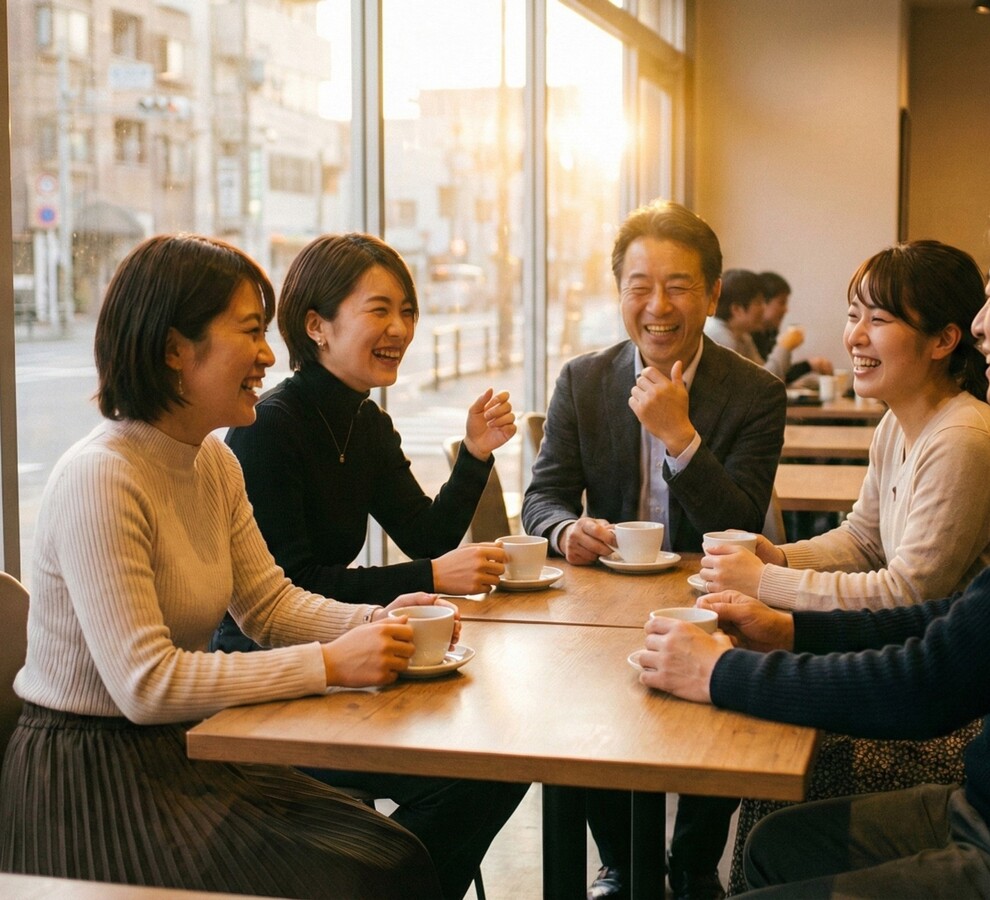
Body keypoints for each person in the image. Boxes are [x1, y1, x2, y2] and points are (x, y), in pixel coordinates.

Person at [638, 182, 990, 899]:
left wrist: (720, 674)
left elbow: (935, 681)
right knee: (778, 846)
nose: (979, 326)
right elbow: (964, 618)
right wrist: (788, 630)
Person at [0, 234, 450, 897]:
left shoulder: (211, 461)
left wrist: (376, 620)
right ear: (176, 350)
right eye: (250, 332)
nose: (270, 354)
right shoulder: (101, 476)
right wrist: (330, 663)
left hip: (183, 750)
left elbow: (268, 605)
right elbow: (144, 684)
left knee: (394, 854)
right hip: (88, 780)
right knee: (367, 873)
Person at [701, 242, 990, 893]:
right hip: (914, 670)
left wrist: (763, 583)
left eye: (877, 320)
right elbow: (863, 539)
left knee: (793, 740)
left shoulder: (962, 436)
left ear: (943, 339)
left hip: (953, 710)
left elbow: (909, 590)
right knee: (779, 729)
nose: (855, 336)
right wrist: (778, 556)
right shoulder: (902, 423)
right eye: (855, 316)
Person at [210, 232, 528, 900]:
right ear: (316, 326)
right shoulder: (268, 427)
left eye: (408, 311)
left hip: (337, 658)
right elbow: (288, 589)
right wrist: (433, 580)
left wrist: (473, 454)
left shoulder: (365, 423)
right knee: (479, 772)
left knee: (501, 760)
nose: (401, 328)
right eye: (380, 310)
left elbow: (424, 535)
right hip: (270, 680)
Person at [521, 199, 786, 900]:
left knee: (732, 687)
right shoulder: (584, 380)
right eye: (639, 285)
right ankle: (620, 862)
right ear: (620, 293)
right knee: (581, 697)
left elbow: (739, 521)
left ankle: (693, 863)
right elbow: (541, 497)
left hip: (714, 599)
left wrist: (680, 438)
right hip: (607, 597)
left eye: (677, 285)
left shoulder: (755, 392)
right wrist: (563, 530)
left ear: (712, 294)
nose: (657, 304)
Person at [704, 268, 803, 383]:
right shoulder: (719, 339)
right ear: (737, 309)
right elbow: (761, 383)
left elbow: (763, 376)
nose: (764, 308)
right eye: (759, 302)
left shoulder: (743, 337)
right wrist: (784, 347)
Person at [752, 271, 833, 380]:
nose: (786, 310)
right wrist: (785, 347)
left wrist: (809, 365)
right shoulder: (748, 337)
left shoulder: (769, 333)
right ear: (763, 303)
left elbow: (781, 375)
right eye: (781, 303)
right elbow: (766, 380)